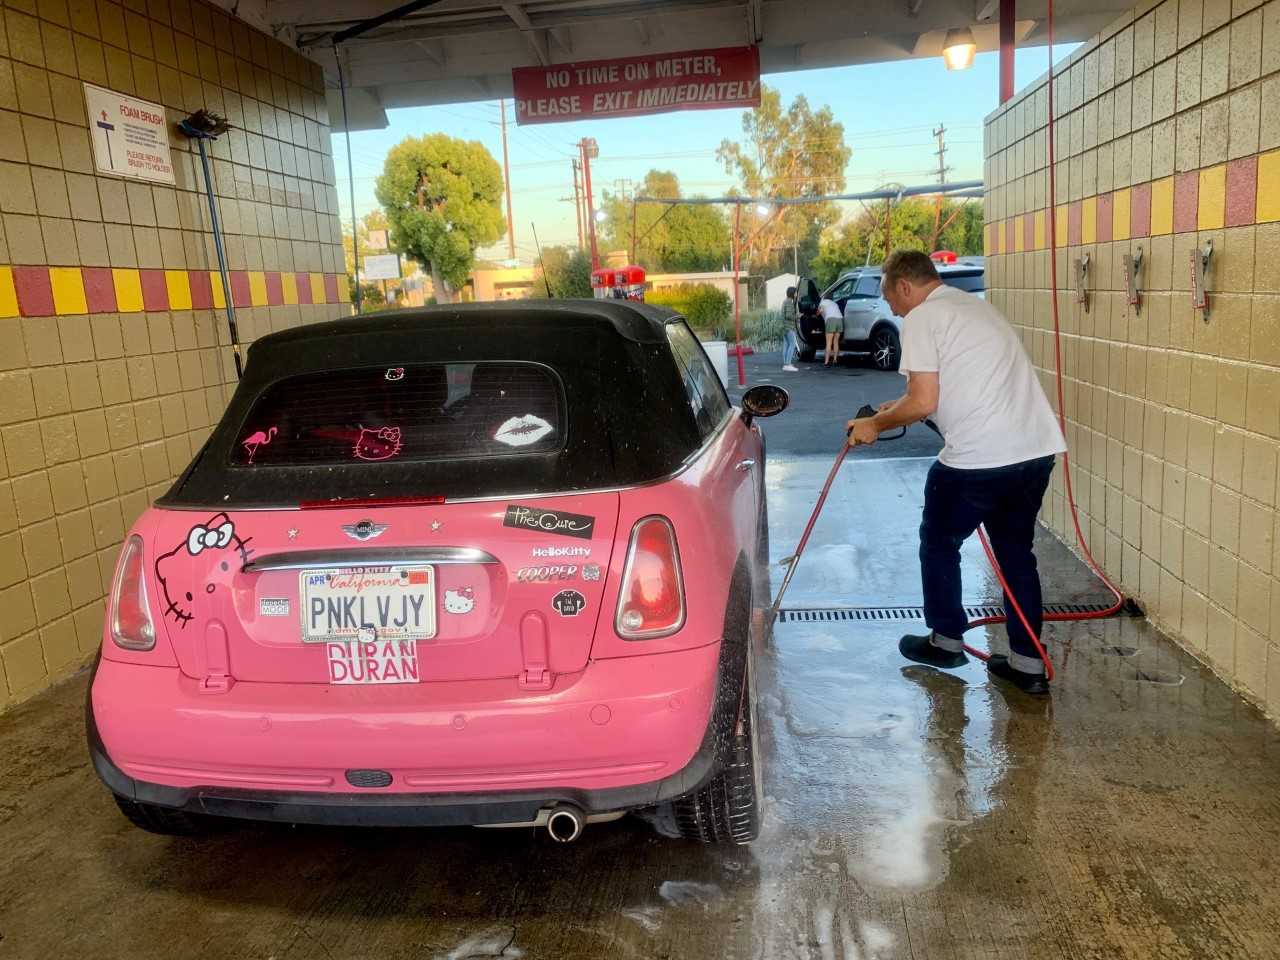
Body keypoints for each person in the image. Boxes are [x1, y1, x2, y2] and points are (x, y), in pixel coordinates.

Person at [846, 250, 1067, 696]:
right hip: (1035, 451)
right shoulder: (972, 307)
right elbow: (954, 388)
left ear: (905, 286)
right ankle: (1028, 664)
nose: (892, 309)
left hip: (979, 459)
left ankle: (945, 640)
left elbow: (924, 401)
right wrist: (897, 408)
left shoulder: (922, 317)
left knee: (939, 540)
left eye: (890, 298)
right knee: (1016, 554)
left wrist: (875, 424)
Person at [819, 295, 843, 368]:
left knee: (829, 342)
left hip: (831, 320)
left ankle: (826, 363)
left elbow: (821, 310)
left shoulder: (823, 301)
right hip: (840, 319)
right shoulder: (835, 303)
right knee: (836, 341)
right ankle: (835, 361)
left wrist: (816, 315)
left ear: (824, 297)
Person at [780, 285, 800, 372]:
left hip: (784, 326)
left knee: (786, 344)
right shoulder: (789, 303)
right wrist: (797, 317)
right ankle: (788, 364)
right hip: (789, 327)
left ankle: (786, 364)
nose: (796, 294)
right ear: (792, 293)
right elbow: (788, 316)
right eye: (795, 292)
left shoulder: (785, 301)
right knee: (792, 344)